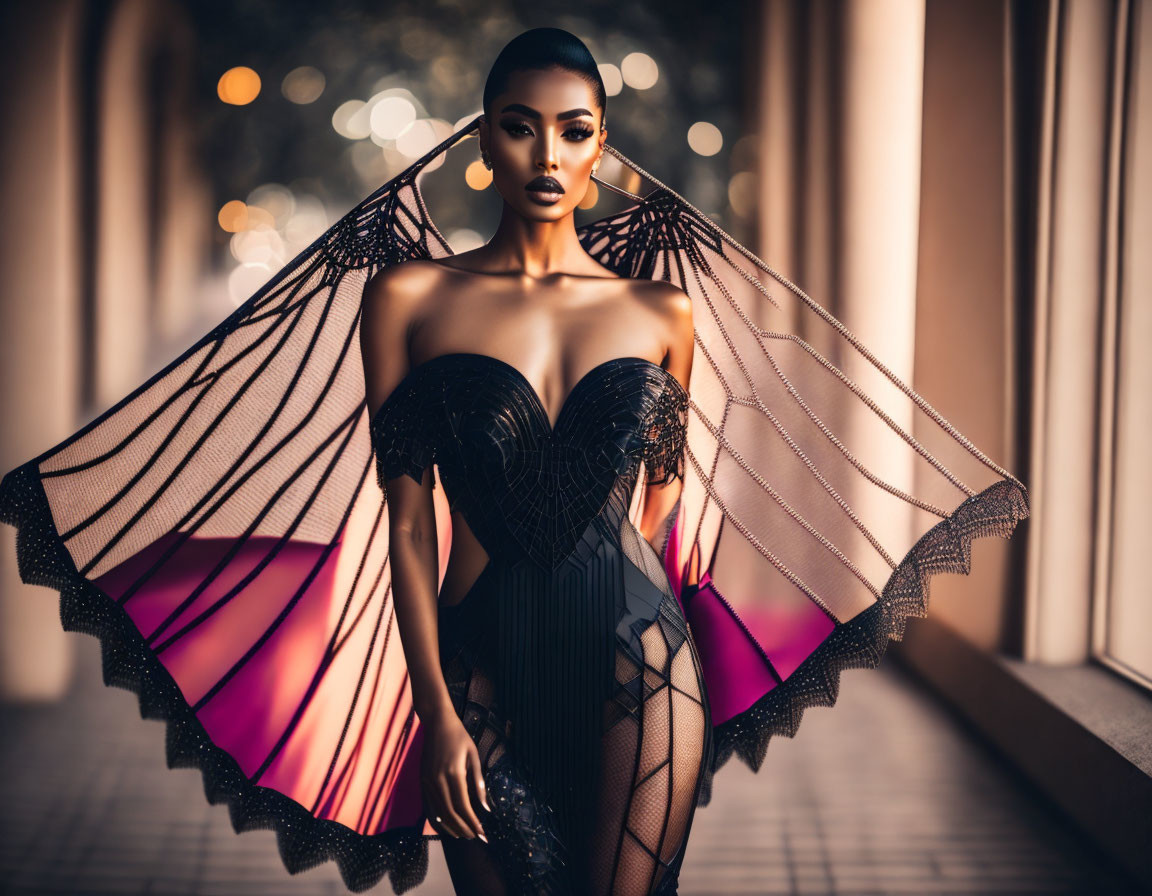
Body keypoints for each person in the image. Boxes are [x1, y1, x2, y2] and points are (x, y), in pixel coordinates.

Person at [0, 25, 1029, 896]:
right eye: (520, 125)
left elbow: (660, 505)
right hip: (479, 670)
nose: (548, 152)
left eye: (574, 130)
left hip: (643, 667)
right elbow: (406, 521)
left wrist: (613, 592)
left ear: (601, 148)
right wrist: (434, 710)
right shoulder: (410, 298)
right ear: (481, 140)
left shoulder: (661, 312)